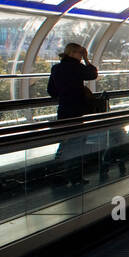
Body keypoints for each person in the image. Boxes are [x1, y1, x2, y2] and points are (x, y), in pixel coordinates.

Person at [46, 43, 98, 186]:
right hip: (77, 111)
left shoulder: (56, 68)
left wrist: (64, 94)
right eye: (80, 54)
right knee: (77, 143)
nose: (81, 57)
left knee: (64, 142)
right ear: (73, 53)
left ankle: (57, 174)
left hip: (63, 110)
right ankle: (75, 176)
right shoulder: (77, 67)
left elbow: (52, 91)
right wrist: (87, 60)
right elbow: (93, 74)